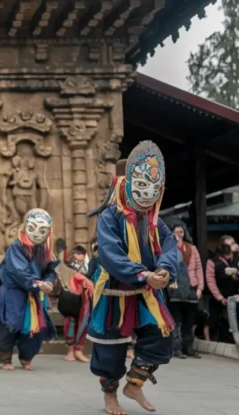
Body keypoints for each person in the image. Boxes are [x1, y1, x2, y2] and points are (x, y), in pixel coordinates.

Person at [87, 141, 178, 415]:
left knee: (162, 335)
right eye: (141, 187)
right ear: (126, 185)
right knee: (111, 348)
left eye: (152, 189)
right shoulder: (110, 217)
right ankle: (110, 397)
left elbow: (169, 244)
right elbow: (111, 254)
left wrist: (164, 269)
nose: (146, 195)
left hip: (146, 291)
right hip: (116, 291)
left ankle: (135, 382)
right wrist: (142, 275)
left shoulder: (153, 221)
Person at [0, 208, 58, 371]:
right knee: (9, 324)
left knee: (33, 329)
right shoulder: (16, 247)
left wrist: (48, 282)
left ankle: (26, 357)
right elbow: (17, 271)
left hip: (34, 295)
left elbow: (50, 270)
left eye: (42, 230)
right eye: (33, 228)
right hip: (14, 293)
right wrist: (36, 283)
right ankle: (6, 357)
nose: (37, 233)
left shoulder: (45, 250)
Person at [166, 222, 203, 359]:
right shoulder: (168, 249)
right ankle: (176, 348)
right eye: (176, 232)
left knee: (189, 320)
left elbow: (199, 268)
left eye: (181, 232)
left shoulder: (192, 248)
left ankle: (188, 347)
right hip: (175, 287)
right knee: (176, 320)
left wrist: (200, 288)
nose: (179, 234)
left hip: (191, 286)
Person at [205, 235, 238, 343]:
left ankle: (230, 340)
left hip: (235, 295)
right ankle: (209, 339)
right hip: (219, 295)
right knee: (213, 320)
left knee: (232, 320)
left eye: (234, 243)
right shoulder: (212, 261)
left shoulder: (236, 259)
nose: (234, 246)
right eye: (230, 244)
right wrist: (220, 298)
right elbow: (210, 281)